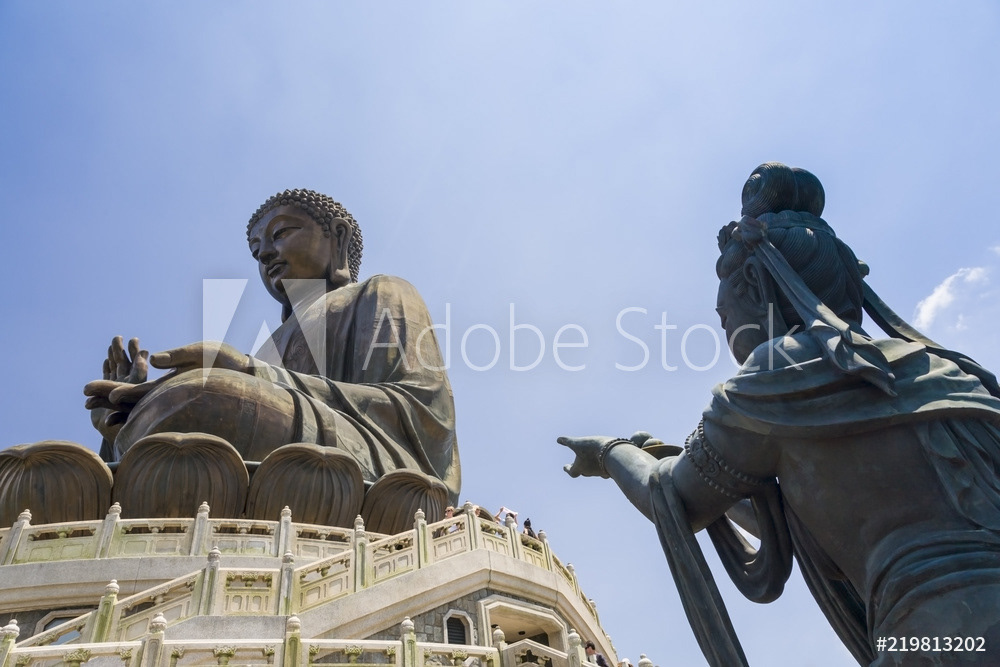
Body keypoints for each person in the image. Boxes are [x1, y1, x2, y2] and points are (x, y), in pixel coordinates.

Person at [560, 163, 1000, 666]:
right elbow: (791, 509)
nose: (725, 326)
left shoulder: (776, 374)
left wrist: (610, 453)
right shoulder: (948, 370)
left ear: (752, 280)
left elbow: (675, 495)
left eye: (723, 313)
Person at [84, 189, 460, 529]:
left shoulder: (381, 292)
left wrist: (251, 371)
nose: (265, 254)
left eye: (280, 234)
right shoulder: (271, 345)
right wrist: (124, 424)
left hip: (372, 466)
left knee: (204, 395)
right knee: (175, 408)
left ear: (339, 238)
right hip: (271, 464)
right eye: (256, 249)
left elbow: (423, 411)